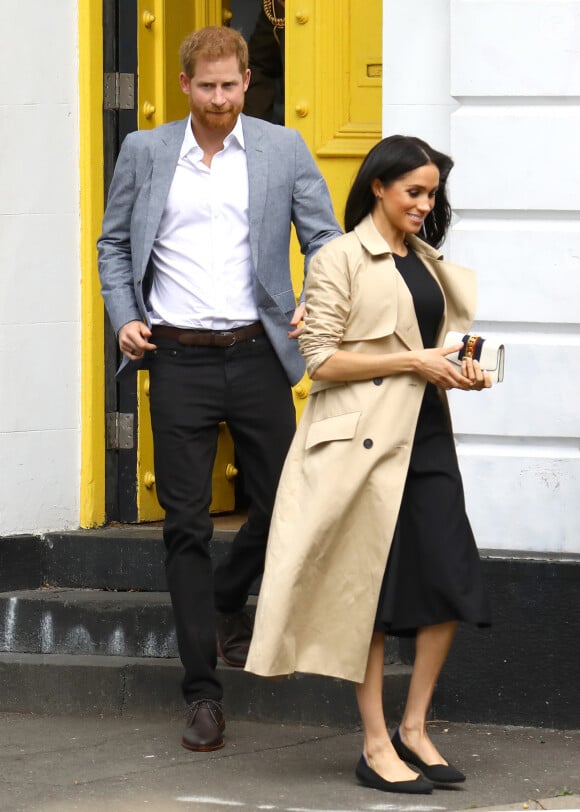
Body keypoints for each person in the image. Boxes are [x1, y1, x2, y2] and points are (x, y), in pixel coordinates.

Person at [97, 25, 341, 753]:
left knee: (286, 501)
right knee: (186, 524)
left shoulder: (281, 148)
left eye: (231, 85)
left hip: (259, 354)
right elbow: (113, 243)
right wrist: (125, 317)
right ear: (184, 86)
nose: (221, 99)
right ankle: (203, 693)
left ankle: (228, 597)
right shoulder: (144, 152)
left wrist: (316, 297)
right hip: (176, 359)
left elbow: (324, 237)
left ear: (244, 81)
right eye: (207, 87)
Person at [245, 135, 492, 794]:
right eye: (414, 191)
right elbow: (320, 360)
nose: (424, 203)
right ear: (379, 186)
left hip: (426, 434)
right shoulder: (338, 258)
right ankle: (376, 742)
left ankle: (415, 728)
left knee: (449, 578)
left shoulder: (426, 259)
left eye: (432, 193)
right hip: (361, 446)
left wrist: (457, 368)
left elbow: (427, 345)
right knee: (371, 592)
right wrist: (413, 362)